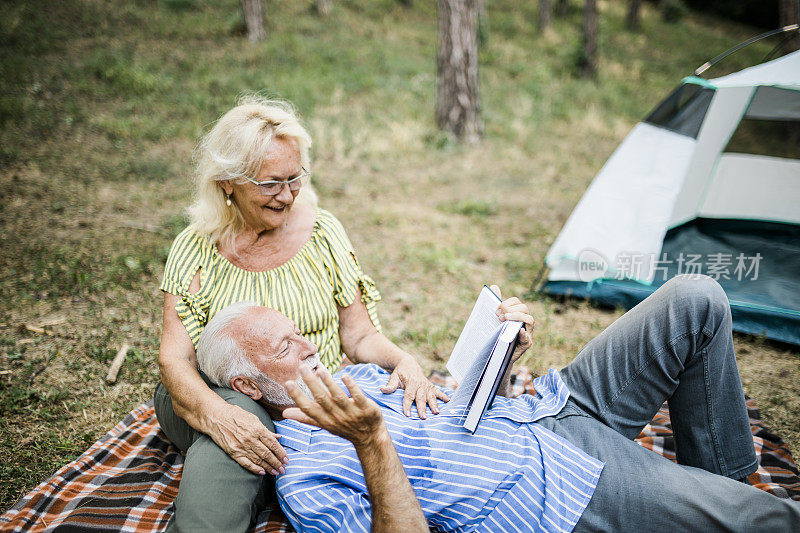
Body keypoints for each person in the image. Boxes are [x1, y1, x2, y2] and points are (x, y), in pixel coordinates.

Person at [196, 276, 800, 532]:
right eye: (285, 345)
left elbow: (461, 408)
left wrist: (504, 357)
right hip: (557, 483)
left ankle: (723, 480)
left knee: (695, 299)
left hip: (552, 406)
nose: (309, 344)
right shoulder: (303, 472)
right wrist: (372, 439)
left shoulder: (361, 374)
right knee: (770, 521)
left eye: (300, 331)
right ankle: (730, 507)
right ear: (249, 387)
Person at [153, 97, 447, 531]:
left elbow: (359, 336)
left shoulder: (322, 231)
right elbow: (174, 360)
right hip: (214, 390)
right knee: (245, 425)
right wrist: (218, 416)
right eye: (271, 184)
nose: (287, 195)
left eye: (295, 179)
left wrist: (404, 360)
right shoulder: (195, 247)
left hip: (308, 403)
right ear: (229, 181)